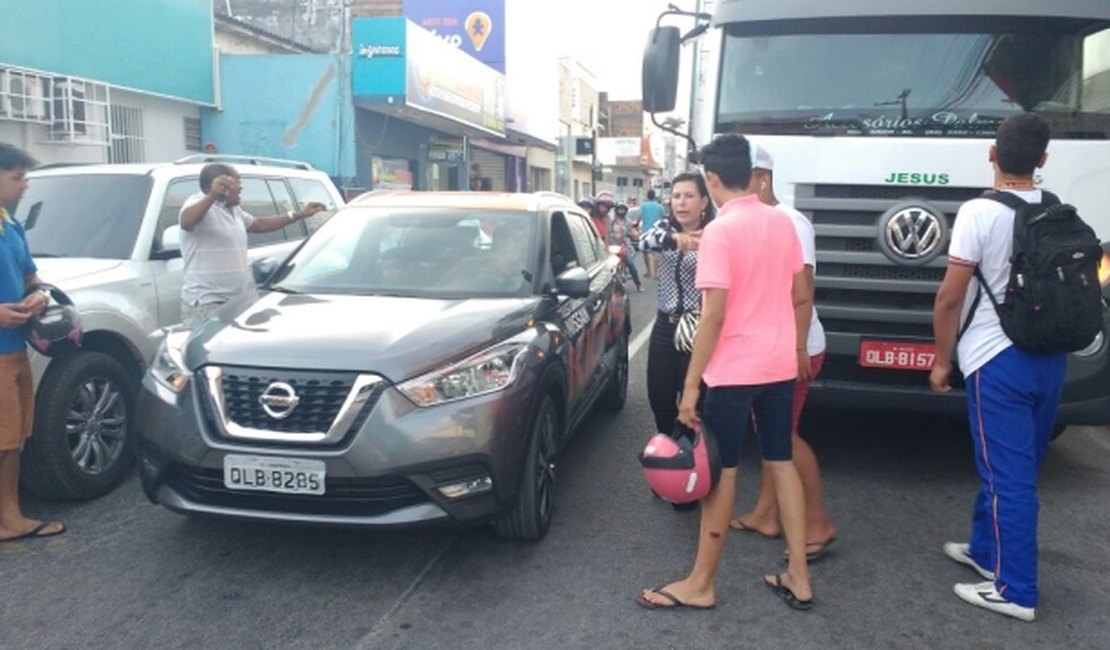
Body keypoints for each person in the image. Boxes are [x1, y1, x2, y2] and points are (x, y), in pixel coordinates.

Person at [638, 134, 813, 611]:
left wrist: (691, 386)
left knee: (722, 472)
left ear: (712, 180)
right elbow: (800, 294)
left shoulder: (720, 232)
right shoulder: (782, 223)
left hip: (734, 369)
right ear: (751, 173)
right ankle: (799, 575)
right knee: (781, 462)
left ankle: (701, 583)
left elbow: (713, 315)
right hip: (777, 363)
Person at [930, 113, 1063, 622]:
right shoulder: (1056, 207)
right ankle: (986, 552)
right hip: (1049, 357)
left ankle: (1017, 589)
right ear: (1042, 161)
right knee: (1015, 466)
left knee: (1008, 476)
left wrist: (942, 362)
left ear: (992, 154)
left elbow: (949, 299)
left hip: (997, 357)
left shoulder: (978, 213)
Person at [730, 145, 837, 560]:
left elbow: (803, 292)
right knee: (770, 434)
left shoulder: (792, 222)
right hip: (770, 345)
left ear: (763, 178)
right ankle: (765, 514)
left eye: (744, 180)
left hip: (796, 346)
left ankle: (819, 522)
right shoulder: (754, 219)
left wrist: (796, 349)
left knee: (784, 438)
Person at [0, 143, 64, 543]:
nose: (25, 186)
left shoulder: (11, 224)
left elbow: (30, 277)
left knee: (13, 439)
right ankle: (9, 519)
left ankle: (10, 516)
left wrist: (40, 296)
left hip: (14, 350)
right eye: (17, 177)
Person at [178, 163, 325, 327]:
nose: (241, 188)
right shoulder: (196, 203)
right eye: (237, 182)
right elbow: (187, 222)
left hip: (236, 303)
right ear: (221, 185)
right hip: (208, 305)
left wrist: (298, 215)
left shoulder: (233, 210)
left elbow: (258, 225)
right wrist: (212, 196)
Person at [636, 173, 714, 440]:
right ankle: (670, 456)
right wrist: (674, 240)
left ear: (704, 200)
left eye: (689, 196)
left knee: (695, 402)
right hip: (664, 326)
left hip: (698, 328)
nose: (681, 203)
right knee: (659, 397)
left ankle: (694, 457)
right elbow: (642, 241)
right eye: (677, 196)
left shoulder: (716, 232)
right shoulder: (664, 228)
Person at [608, 202, 643, 292]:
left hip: (624, 247)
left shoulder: (628, 222)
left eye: (623, 209)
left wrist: (634, 234)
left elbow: (634, 232)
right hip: (612, 246)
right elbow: (606, 232)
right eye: (619, 209)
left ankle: (638, 284)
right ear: (616, 211)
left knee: (631, 264)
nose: (621, 211)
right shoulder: (611, 222)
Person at [639, 189, 665, 279]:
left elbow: (640, 217)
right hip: (656, 231)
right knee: (656, 252)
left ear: (647, 196)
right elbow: (662, 218)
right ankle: (655, 273)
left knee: (645, 252)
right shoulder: (659, 207)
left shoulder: (643, 206)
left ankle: (648, 271)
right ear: (654, 196)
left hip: (645, 231)